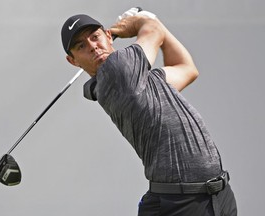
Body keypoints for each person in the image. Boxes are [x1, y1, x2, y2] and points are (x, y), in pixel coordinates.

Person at [61, 8, 237, 216]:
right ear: (73, 61)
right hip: (179, 204)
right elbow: (152, 29)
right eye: (81, 46)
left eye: (95, 37)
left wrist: (154, 24)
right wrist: (137, 22)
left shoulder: (142, 81)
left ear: (108, 37)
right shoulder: (116, 71)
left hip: (218, 196)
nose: (93, 46)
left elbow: (187, 69)